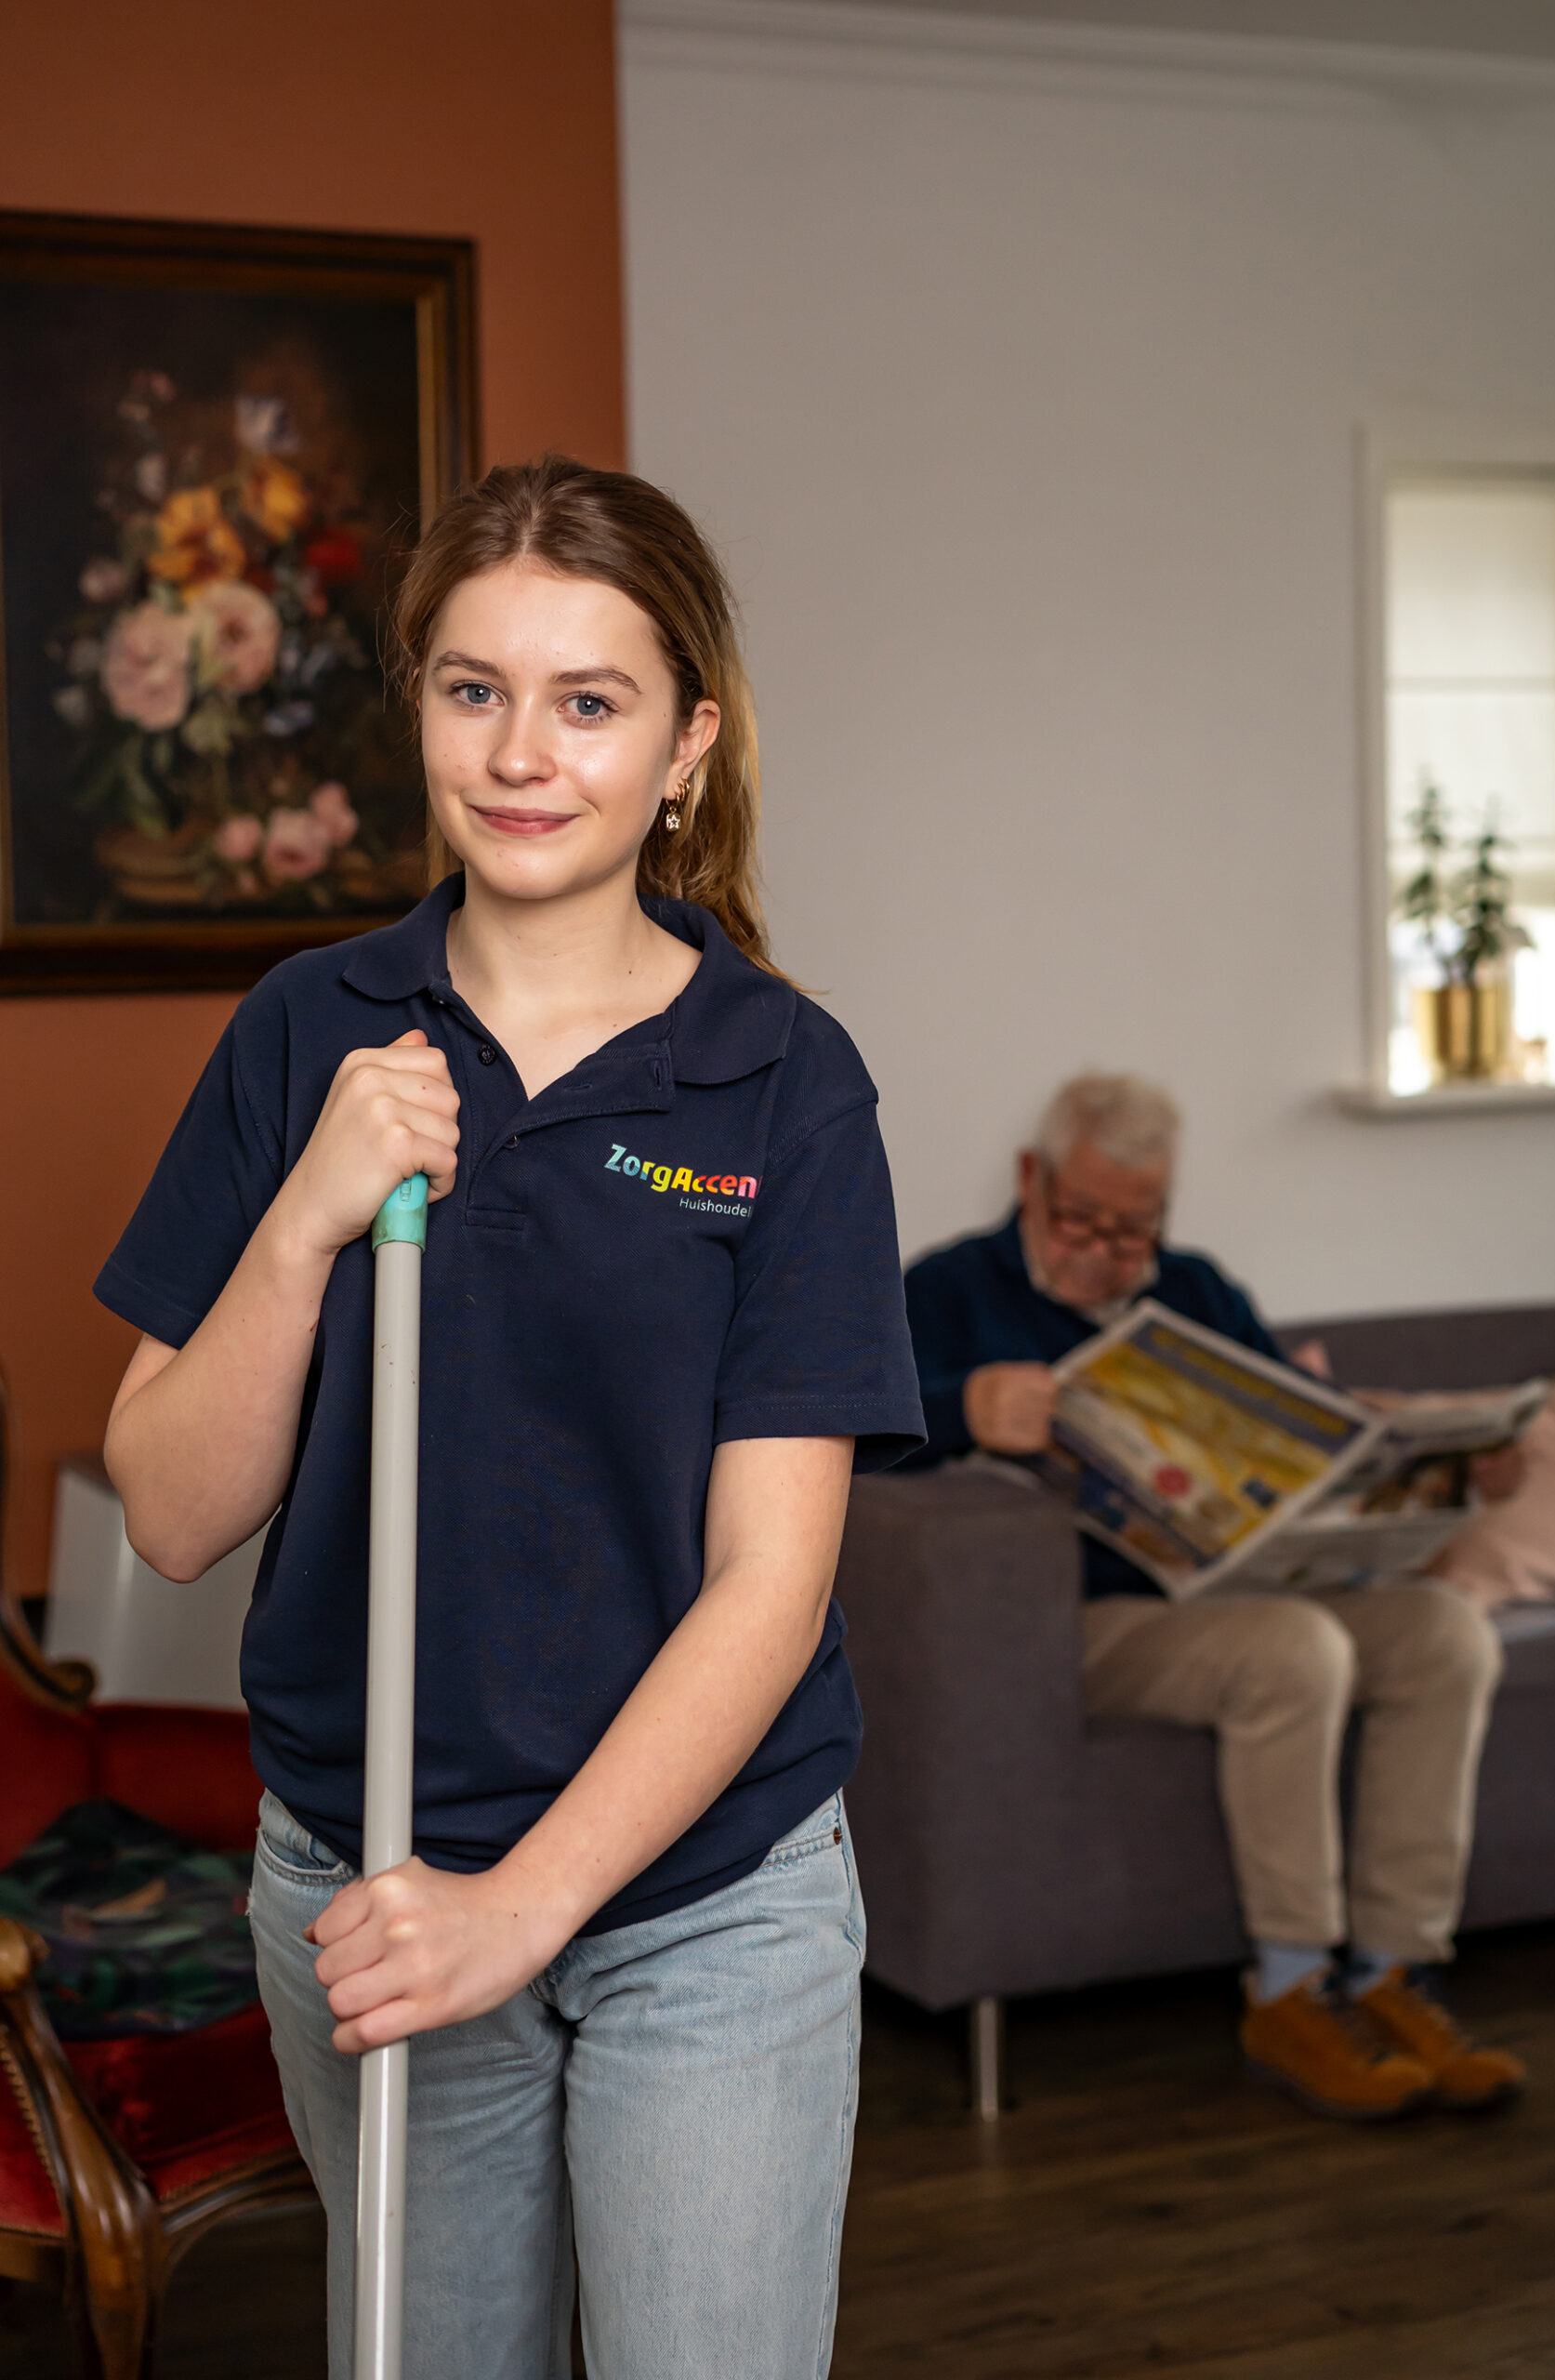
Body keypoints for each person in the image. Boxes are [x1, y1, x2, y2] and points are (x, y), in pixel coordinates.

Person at [97, 457, 925, 2380]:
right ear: (418, 710)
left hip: (702, 1887)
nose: (521, 752)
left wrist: (524, 1907)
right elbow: (169, 1509)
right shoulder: (310, 1028)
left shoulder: (786, 1084)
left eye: (588, 699)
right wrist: (309, 1212)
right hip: (373, 1861)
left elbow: (769, 1579)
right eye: (473, 689)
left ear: (687, 745)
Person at [903, 1070, 1524, 2122]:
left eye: (1135, 1228)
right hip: (1091, 1624)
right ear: (1029, 1179)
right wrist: (961, 1406)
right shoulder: (948, 1291)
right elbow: (839, 1435)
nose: (1105, 1249)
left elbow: (1306, 1437)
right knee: (1294, 1650)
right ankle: (1289, 1991)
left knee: (1445, 1632)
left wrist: (1447, 1471)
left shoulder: (1195, 1290)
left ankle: (1395, 1970)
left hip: (1236, 1590)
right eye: (1081, 1218)